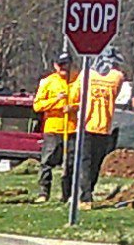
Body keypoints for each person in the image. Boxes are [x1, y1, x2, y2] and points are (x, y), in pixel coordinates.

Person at [71, 53, 127, 198]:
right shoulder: (117, 77)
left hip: (86, 125)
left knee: (85, 162)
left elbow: (74, 96)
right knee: (96, 163)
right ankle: (89, 191)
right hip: (105, 126)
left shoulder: (85, 75)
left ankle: (85, 195)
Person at [30, 57, 79, 195]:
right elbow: (37, 105)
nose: (63, 68)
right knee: (47, 161)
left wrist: (73, 107)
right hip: (53, 128)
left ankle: (68, 194)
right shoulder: (48, 82)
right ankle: (43, 192)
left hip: (71, 129)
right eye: (60, 65)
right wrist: (56, 100)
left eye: (66, 64)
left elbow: (84, 102)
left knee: (71, 163)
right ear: (55, 65)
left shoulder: (78, 80)